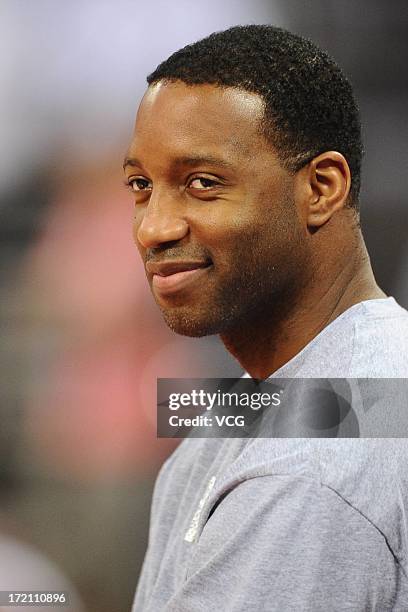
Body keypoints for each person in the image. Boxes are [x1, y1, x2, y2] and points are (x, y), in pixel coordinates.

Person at [124, 25, 408, 611]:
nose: (153, 227)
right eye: (141, 185)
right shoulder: (337, 386)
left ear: (321, 188)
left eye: (203, 184)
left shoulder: (307, 472)